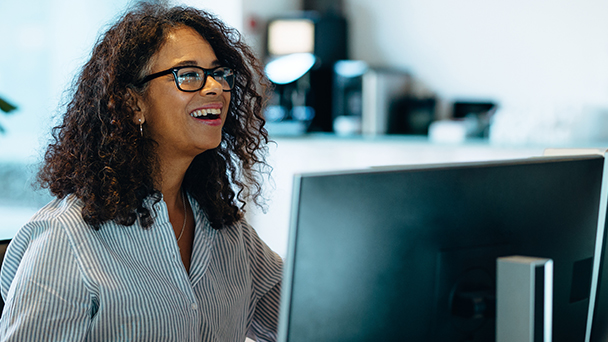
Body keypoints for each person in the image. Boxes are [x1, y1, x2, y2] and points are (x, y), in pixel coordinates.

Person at [0, 2, 282, 341]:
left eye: (218, 73)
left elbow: (310, 318)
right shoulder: (66, 238)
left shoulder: (226, 230)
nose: (215, 88)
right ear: (134, 104)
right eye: (189, 75)